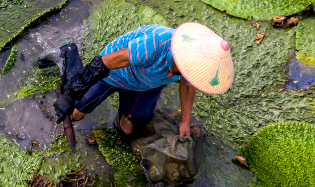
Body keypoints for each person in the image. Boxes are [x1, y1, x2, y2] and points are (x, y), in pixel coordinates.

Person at [54, 22, 233, 148]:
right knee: (76, 115)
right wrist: (71, 93)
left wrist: (185, 122)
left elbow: (187, 86)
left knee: (128, 129)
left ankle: (123, 115)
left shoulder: (194, 68)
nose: (190, 77)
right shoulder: (155, 43)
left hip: (146, 84)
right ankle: (70, 54)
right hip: (115, 73)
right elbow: (105, 62)